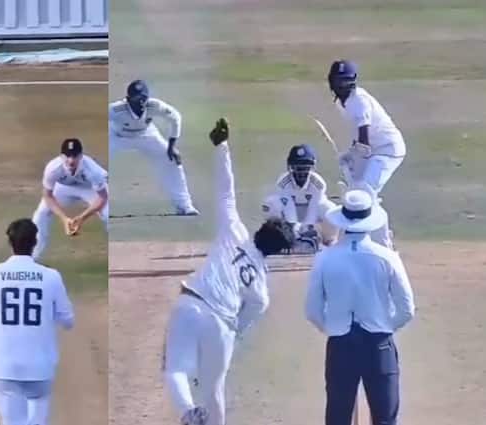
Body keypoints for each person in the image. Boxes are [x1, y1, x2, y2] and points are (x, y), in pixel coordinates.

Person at [162, 118, 298, 425]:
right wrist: (225, 341)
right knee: (214, 390)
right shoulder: (260, 287)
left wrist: (221, 146)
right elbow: (244, 321)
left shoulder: (234, 231)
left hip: (192, 302)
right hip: (223, 324)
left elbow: (225, 191)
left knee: (175, 370)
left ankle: (188, 413)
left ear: (261, 227)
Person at [305, 189, 415, 425]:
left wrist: (334, 328)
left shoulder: (324, 258)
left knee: (338, 417)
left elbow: (312, 310)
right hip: (378, 345)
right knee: (385, 418)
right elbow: (407, 309)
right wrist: (384, 326)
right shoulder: (387, 257)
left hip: (341, 345)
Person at [0, 218, 74, 425]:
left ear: (10, 242)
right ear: (35, 242)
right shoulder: (51, 276)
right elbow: (68, 319)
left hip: (4, 367)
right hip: (40, 367)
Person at [328, 59, 405, 247]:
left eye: (345, 81)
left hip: (388, 150)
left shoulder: (360, 101)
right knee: (356, 191)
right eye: (338, 81)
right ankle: (360, 237)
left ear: (353, 81)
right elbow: (359, 136)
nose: (341, 85)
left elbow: (365, 142)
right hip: (373, 150)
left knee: (366, 193)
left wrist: (352, 155)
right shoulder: (342, 103)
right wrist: (350, 154)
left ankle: (384, 245)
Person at [108, 79, 199, 215]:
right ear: (128, 99)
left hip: (147, 134)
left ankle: (184, 205)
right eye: (137, 98)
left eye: (144, 98)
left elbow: (175, 117)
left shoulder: (154, 105)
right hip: (118, 136)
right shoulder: (116, 109)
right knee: (99, 165)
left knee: (173, 160)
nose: (141, 102)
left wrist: (171, 146)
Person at [31, 138, 108, 260]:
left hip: (89, 188)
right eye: (67, 156)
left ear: (81, 156)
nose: (71, 160)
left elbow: (102, 197)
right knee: (40, 214)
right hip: (63, 188)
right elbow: (47, 195)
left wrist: (81, 218)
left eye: (75, 156)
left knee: (109, 214)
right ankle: (33, 257)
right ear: (61, 156)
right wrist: (64, 218)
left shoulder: (93, 171)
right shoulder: (53, 168)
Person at [261, 144, 338, 247]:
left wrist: (307, 229)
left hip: (311, 210)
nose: (301, 171)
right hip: (290, 212)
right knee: (270, 204)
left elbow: (313, 210)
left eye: (305, 166)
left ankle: (329, 242)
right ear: (290, 166)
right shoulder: (283, 183)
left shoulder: (319, 184)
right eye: (298, 166)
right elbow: (289, 211)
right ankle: (277, 241)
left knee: (330, 208)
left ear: (312, 167)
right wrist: (295, 231)